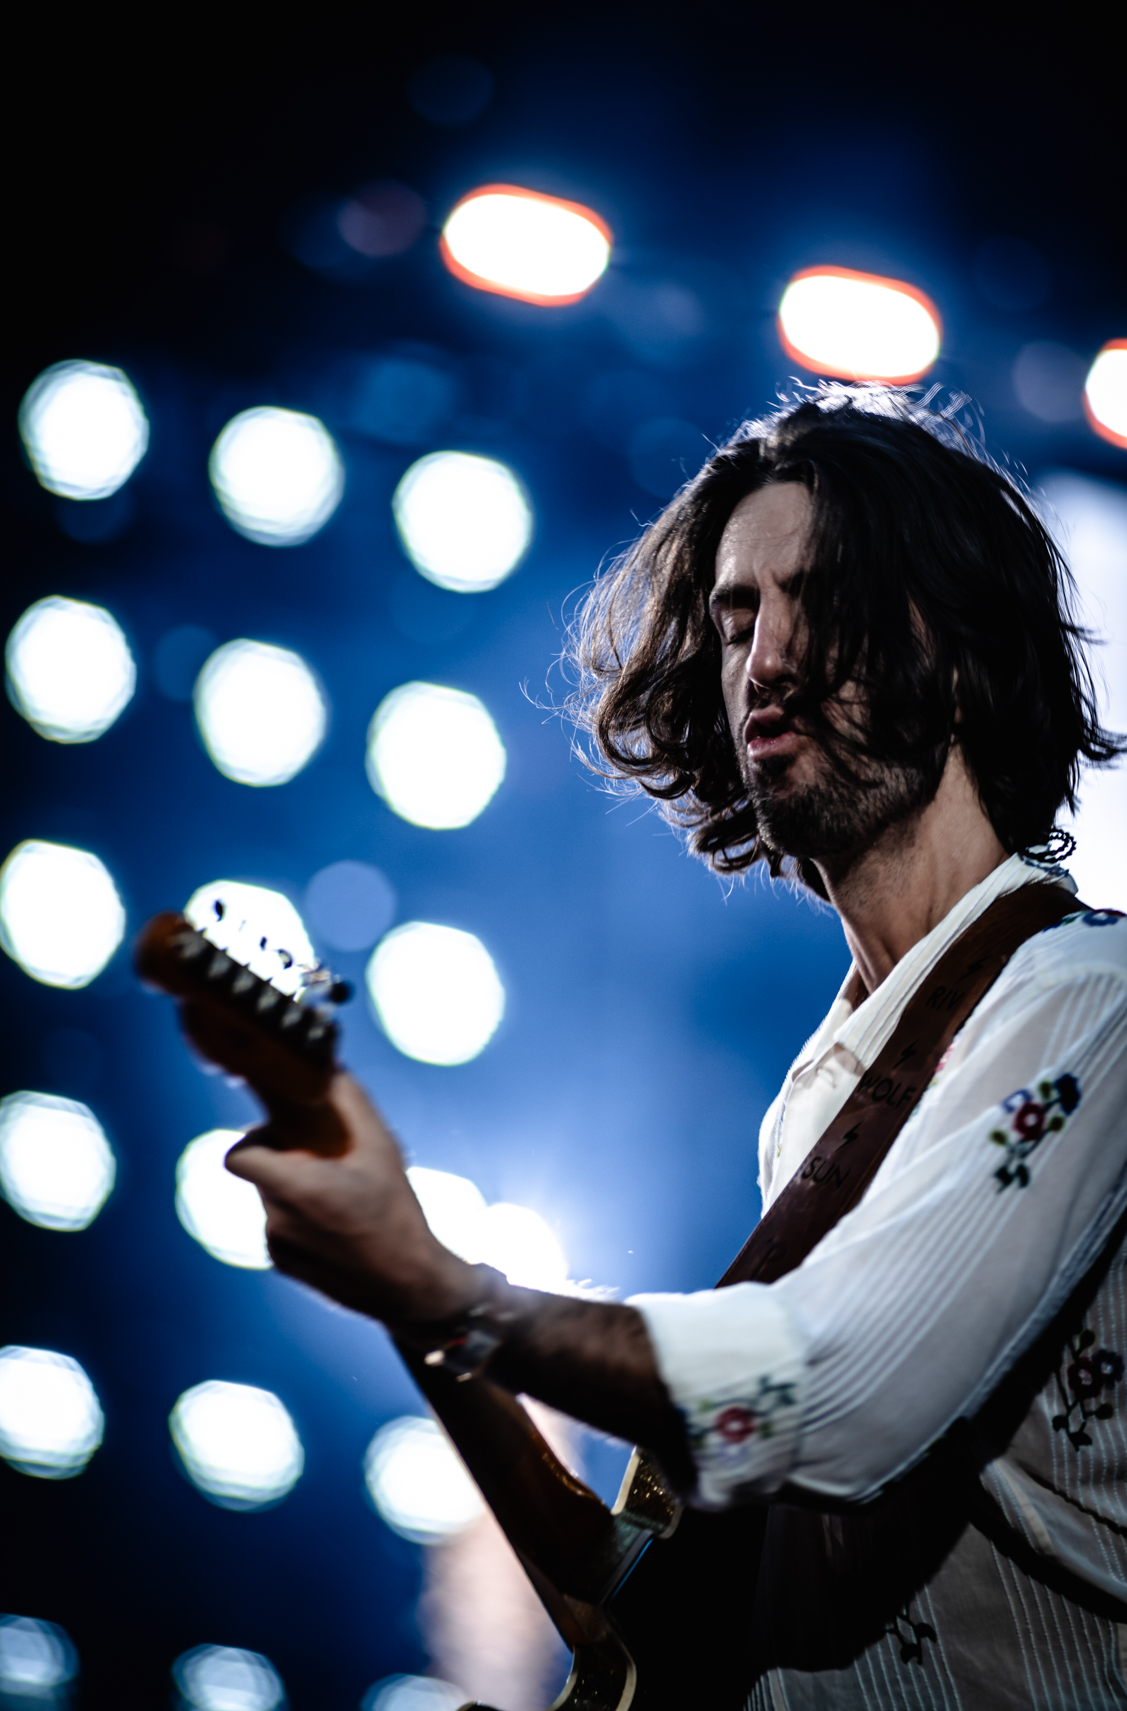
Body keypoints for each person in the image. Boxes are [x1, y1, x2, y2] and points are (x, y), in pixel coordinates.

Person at [225, 387, 1127, 1708]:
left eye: (817, 600)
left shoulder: (1091, 1000)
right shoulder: (818, 1105)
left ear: (951, 643)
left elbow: (835, 1392)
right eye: (736, 618)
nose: (764, 661)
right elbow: (656, 1609)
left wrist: (448, 1287)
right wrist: (415, 1294)